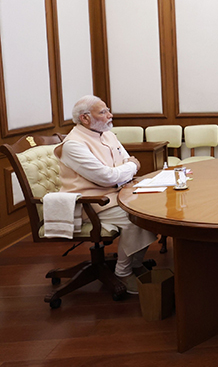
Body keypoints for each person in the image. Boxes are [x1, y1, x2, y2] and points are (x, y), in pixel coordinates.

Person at [54, 95, 157, 294]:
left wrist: (125, 169)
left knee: (150, 210)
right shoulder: (74, 145)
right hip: (90, 203)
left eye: (108, 110)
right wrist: (130, 167)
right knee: (136, 218)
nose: (110, 115)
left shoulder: (107, 134)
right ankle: (123, 272)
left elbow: (125, 163)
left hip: (116, 195)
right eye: (103, 112)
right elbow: (108, 177)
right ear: (85, 118)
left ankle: (135, 263)